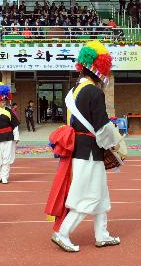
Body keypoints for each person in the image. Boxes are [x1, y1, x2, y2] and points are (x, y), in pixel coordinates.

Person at [46, 40, 121, 252]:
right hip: (89, 151)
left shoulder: (74, 90)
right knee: (87, 195)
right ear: (100, 69)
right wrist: (115, 145)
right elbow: (102, 127)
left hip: (79, 149)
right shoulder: (95, 93)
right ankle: (62, 232)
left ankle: (102, 234)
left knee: (100, 193)